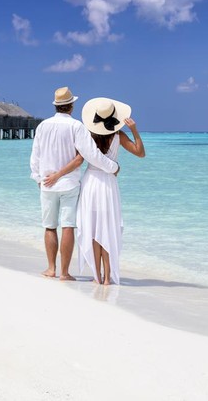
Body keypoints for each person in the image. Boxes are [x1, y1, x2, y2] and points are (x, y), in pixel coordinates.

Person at [29, 87, 119, 281]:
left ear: (56, 106)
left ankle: (51, 268)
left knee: (49, 226)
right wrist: (112, 167)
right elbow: (90, 154)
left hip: (47, 183)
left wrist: (38, 178)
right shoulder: (77, 126)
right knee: (68, 226)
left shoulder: (42, 126)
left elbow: (35, 155)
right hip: (69, 184)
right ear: (70, 106)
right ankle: (65, 273)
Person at [76, 97, 145, 285]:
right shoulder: (119, 135)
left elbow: (77, 160)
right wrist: (134, 130)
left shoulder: (87, 135)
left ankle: (97, 276)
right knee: (106, 228)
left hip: (91, 182)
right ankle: (107, 278)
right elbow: (140, 153)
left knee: (92, 228)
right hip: (108, 184)